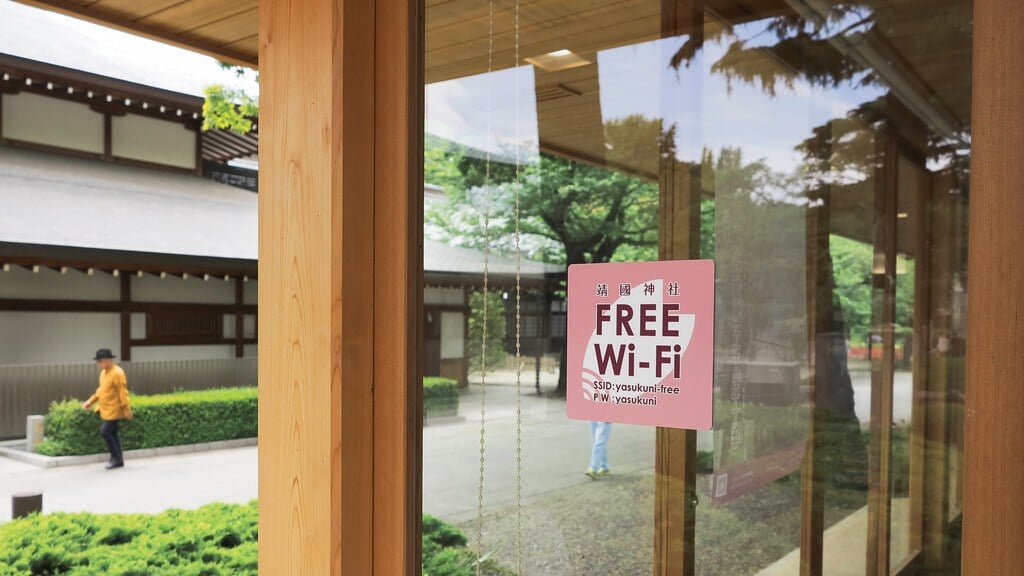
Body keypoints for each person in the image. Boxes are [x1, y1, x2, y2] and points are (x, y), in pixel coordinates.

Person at [82, 348, 132, 469]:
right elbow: (101, 391)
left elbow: (123, 392)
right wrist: (91, 401)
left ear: (109, 360)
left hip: (114, 410)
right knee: (113, 434)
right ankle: (118, 459)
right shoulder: (103, 373)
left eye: (101, 361)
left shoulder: (117, 373)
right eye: (98, 361)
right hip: (106, 409)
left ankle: (115, 458)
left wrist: (126, 409)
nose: (99, 364)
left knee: (105, 432)